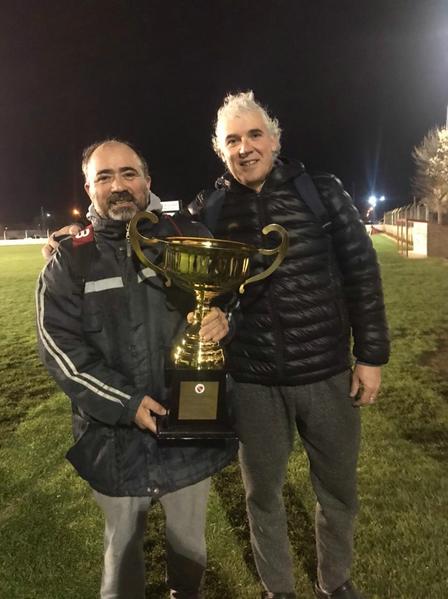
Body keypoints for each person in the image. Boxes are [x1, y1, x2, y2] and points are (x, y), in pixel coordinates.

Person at [187, 92, 390, 599]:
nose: (245, 148)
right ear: (220, 151)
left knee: (338, 491)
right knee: (262, 496)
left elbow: (362, 274)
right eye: (232, 140)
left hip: (325, 373)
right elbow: (169, 255)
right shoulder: (210, 208)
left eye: (254, 135)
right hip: (253, 382)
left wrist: (370, 357)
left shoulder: (320, 191)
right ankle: (278, 589)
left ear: (275, 140)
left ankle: (335, 582)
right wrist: (71, 238)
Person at [37, 139, 238, 599]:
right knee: (122, 558)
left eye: (128, 173)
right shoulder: (70, 259)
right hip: (114, 439)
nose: (118, 186)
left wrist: (225, 319)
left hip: (187, 429)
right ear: (89, 189)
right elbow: (59, 349)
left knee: (190, 550)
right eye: (104, 177)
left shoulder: (187, 238)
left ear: (147, 180)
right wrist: (125, 403)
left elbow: (229, 298)